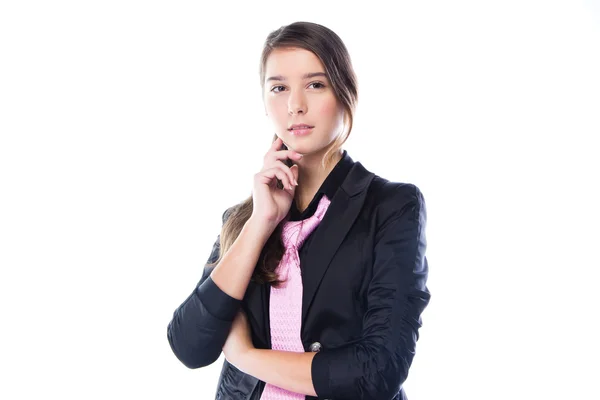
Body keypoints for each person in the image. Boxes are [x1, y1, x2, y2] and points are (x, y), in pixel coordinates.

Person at [167, 21, 431, 400]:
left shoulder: (390, 207)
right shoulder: (243, 218)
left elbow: (377, 373)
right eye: (279, 88)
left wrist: (245, 356)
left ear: (345, 94)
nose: (295, 105)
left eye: (315, 84)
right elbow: (190, 346)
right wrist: (260, 222)